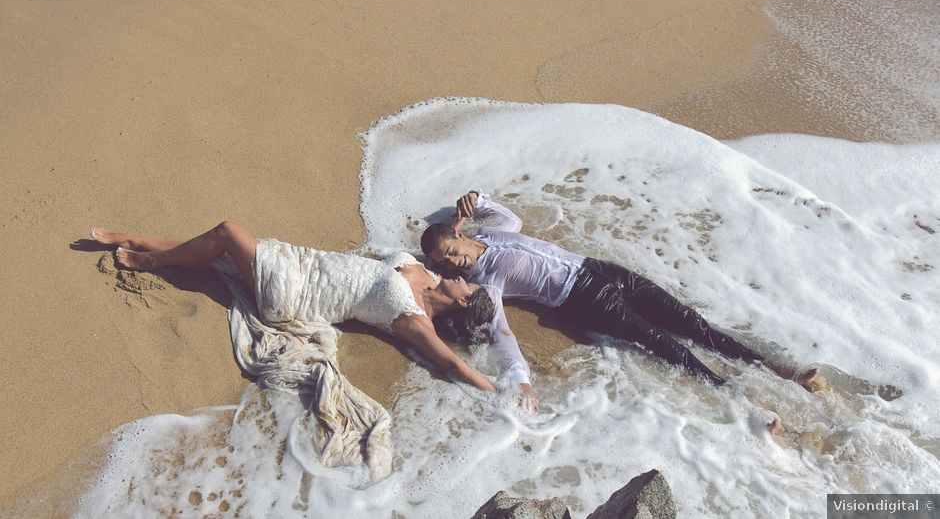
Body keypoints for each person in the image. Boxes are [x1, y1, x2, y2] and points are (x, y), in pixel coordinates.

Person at [421, 191, 823, 411]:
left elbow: (512, 220)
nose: (456, 263)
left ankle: (777, 369)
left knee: (692, 322)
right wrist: (521, 381)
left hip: (602, 270)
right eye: (446, 263)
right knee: (663, 344)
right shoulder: (485, 282)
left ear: (459, 236)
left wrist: (479, 199)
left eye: (452, 251)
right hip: (584, 299)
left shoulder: (492, 236)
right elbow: (502, 331)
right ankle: (746, 402)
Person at [90, 222, 497, 393]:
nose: (465, 272)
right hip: (305, 262)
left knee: (229, 232)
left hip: (295, 293)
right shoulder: (425, 273)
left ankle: (151, 259)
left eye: (468, 280)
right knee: (219, 250)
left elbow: (454, 365)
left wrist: (502, 393)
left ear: (462, 299)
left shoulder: (416, 322)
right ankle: (140, 240)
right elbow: (444, 243)